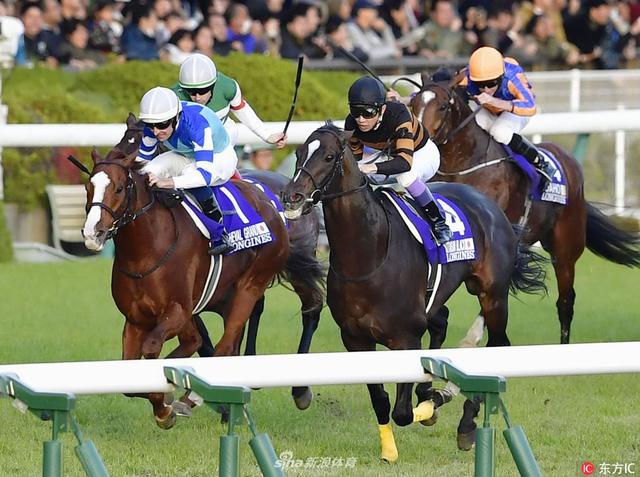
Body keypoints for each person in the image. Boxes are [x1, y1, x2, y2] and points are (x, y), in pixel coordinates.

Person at [346, 76, 452, 245]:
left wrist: (371, 167)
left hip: (422, 153)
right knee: (354, 172)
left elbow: (404, 162)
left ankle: (438, 221)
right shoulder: (352, 124)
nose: (361, 119)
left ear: (382, 109)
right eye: (355, 111)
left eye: (368, 113)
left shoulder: (399, 115)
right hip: (391, 154)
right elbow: (355, 160)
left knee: (405, 175)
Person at [137, 86, 236, 255]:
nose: (155, 131)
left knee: (190, 173)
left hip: (219, 157)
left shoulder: (196, 124)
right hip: (184, 154)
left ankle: (220, 231)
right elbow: (140, 161)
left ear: (176, 116)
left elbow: (204, 175)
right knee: (147, 171)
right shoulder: (155, 122)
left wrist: (168, 182)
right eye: (150, 125)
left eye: (161, 125)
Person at [460, 46, 556, 184]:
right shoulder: (468, 75)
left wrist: (494, 101)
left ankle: (539, 161)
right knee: (473, 126)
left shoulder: (512, 76)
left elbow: (530, 106)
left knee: (499, 131)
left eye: (491, 83)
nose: (486, 89)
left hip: (515, 111)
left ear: (501, 77)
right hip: (489, 109)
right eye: (480, 84)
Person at [173, 53, 286, 150]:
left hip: (223, 137)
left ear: (213, 84)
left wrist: (267, 135)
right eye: (191, 91)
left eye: (202, 91)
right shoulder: (173, 97)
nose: (197, 98)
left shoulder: (228, 87)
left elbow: (243, 111)